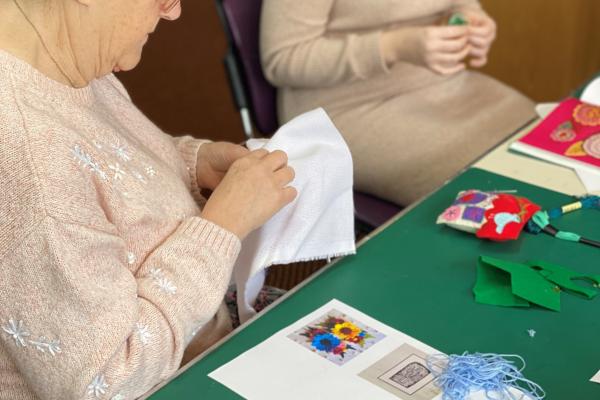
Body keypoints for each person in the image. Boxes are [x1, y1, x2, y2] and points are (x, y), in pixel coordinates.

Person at [0, 0, 297, 398]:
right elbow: (104, 381)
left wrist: (190, 162)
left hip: (207, 339)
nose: (173, 12)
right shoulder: (28, 158)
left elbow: (97, 170)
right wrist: (221, 228)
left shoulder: (58, 49)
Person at [260, 0, 535, 206]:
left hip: (439, 82)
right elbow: (283, 59)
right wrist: (395, 46)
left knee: (545, 142)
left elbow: (459, 4)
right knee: (498, 188)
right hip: (344, 106)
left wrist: (471, 18)